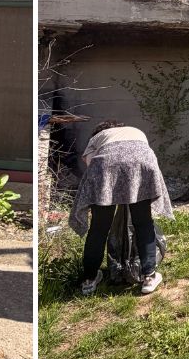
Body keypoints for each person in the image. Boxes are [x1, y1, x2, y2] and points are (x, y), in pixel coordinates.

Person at [70, 120, 172, 296]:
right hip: (142, 164)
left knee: (98, 228)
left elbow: (89, 163)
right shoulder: (135, 129)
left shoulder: (97, 137)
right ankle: (149, 277)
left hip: (105, 167)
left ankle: (89, 280)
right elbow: (138, 156)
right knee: (143, 223)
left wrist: (109, 190)